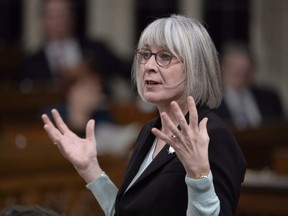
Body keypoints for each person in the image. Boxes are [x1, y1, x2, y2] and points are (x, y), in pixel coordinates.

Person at [41, 15, 246, 215]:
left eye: (165, 56)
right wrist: (91, 169)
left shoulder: (214, 136)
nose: (148, 66)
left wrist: (199, 177)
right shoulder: (150, 131)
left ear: (195, 67)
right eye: (145, 55)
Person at [18, 0, 130, 87]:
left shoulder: (97, 50)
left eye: (63, 14)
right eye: (54, 15)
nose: (60, 20)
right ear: (43, 21)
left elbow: (129, 72)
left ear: (72, 17)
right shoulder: (30, 64)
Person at [214, 42, 284, 130]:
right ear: (222, 69)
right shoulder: (212, 102)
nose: (241, 75)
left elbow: (281, 129)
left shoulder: (270, 98)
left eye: (245, 70)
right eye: (236, 70)